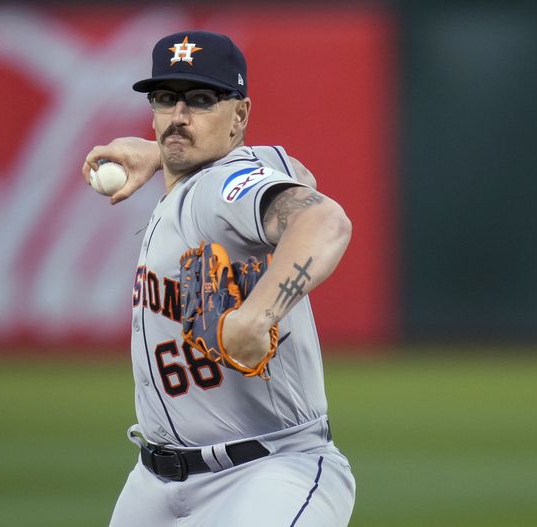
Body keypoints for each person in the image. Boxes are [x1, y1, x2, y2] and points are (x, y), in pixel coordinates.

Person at [82, 30, 355, 527]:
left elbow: (324, 220)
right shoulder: (201, 184)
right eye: (166, 99)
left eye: (202, 100)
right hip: (153, 483)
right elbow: (292, 172)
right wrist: (160, 154)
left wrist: (259, 314)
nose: (179, 116)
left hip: (266, 474)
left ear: (241, 115)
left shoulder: (218, 187)